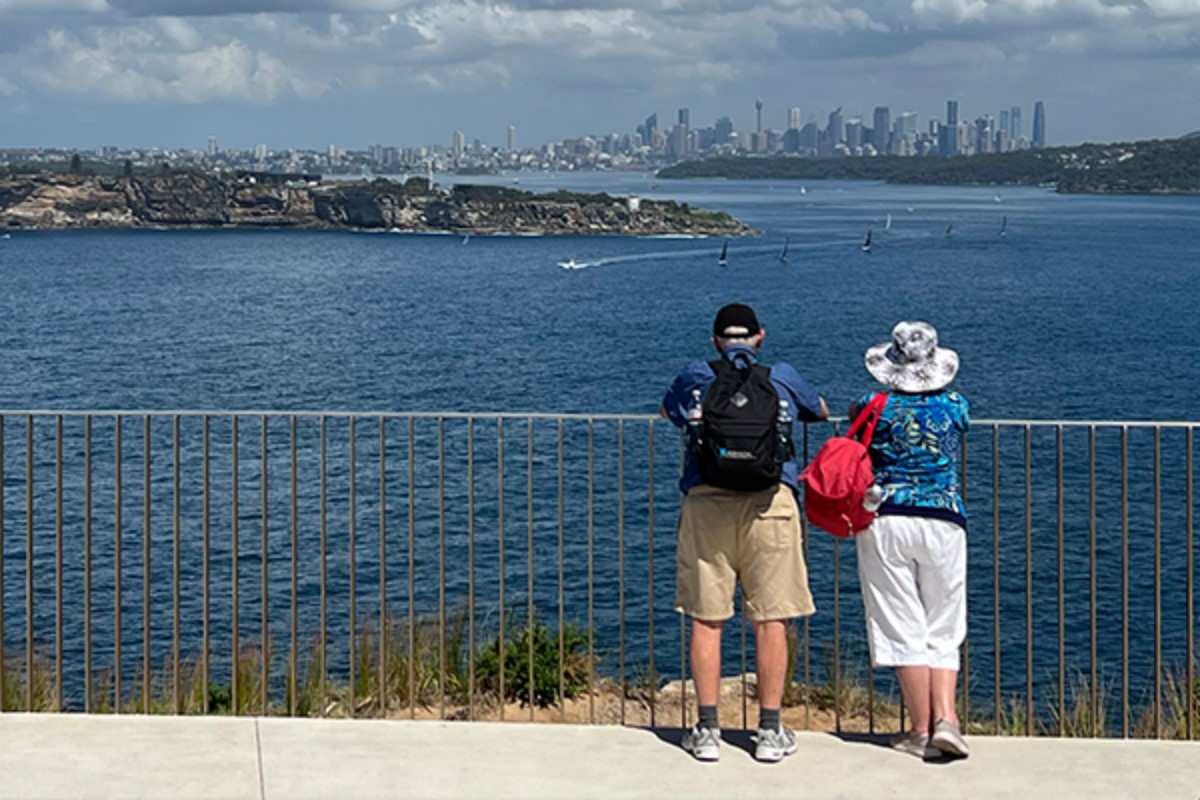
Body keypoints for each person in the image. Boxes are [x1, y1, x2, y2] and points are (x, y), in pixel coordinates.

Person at [660, 303, 828, 762]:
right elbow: (819, 409)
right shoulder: (782, 376)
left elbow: (667, 411)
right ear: (760, 337)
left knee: (706, 618)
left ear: (715, 341)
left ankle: (707, 730)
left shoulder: (696, 374)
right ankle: (770, 732)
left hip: (707, 504)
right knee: (772, 618)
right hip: (770, 504)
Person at [851, 320, 971, 760]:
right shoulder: (954, 404)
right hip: (944, 517)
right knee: (944, 621)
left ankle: (920, 729)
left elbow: (856, 430)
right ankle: (947, 720)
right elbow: (962, 424)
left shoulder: (873, 404)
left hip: (886, 516)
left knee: (900, 621)